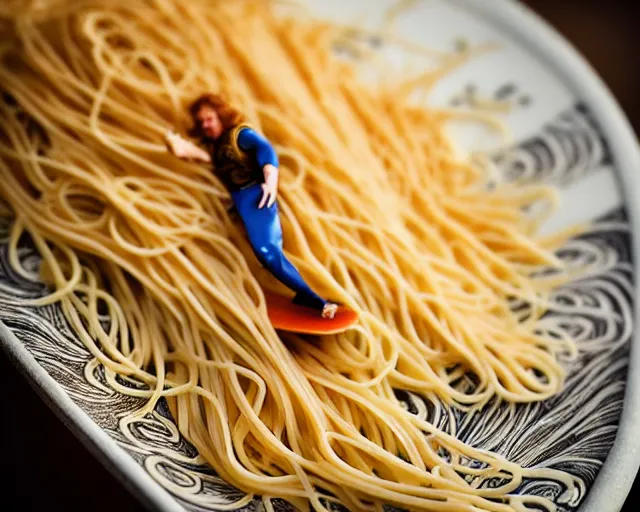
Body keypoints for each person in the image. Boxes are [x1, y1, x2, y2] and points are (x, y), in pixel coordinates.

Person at [165, 93, 338, 319]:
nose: (205, 125)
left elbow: (265, 150)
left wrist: (270, 182)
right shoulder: (215, 146)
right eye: (202, 122)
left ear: (221, 116)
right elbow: (206, 158)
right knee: (255, 250)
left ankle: (316, 302)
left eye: (209, 119)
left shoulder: (240, 135)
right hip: (241, 201)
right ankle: (300, 295)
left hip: (258, 195)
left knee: (267, 251)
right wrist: (179, 146)